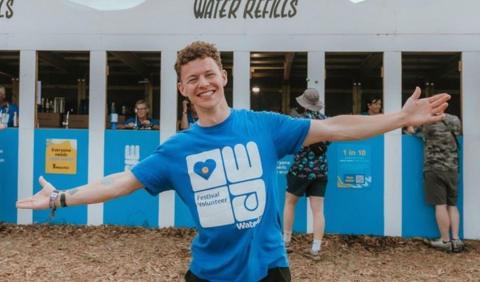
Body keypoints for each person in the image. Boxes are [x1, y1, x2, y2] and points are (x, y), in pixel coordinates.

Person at [17, 41, 450, 282]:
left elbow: (336, 127)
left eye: (209, 74)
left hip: (269, 270)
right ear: (183, 91)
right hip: (208, 274)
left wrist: (399, 118)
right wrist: (61, 198)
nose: (203, 83)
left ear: (223, 76)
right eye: (192, 79)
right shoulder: (177, 149)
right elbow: (120, 183)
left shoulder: (263, 125)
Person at [406, 113, 464, 253]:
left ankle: (444, 241)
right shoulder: (455, 120)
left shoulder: (427, 122)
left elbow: (412, 131)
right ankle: (456, 240)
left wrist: (408, 124)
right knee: (452, 205)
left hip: (434, 168)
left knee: (440, 205)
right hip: (453, 168)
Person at [283, 88, 329, 261]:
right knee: (318, 211)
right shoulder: (325, 121)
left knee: (289, 203)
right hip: (320, 171)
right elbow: (329, 143)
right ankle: (315, 249)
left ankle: (285, 242)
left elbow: (292, 143)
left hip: (299, 170)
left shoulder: (298, 122)